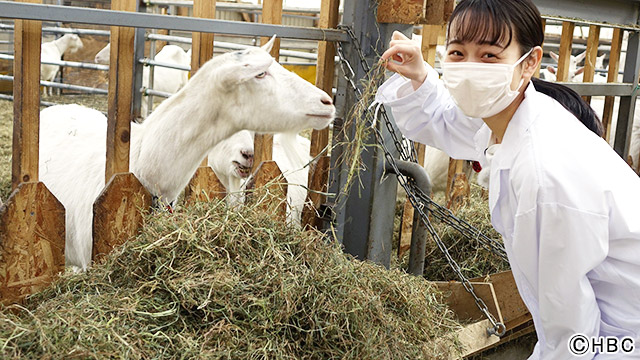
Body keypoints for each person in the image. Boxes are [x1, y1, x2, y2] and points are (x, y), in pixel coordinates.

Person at [375, 0, 640, 358]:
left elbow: (572, 330)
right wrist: (421, 76)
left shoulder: (544, 174)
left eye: (488, 56)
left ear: (529, 62)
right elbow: (450, 123)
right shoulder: (513, 117)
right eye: (457, 53)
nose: (469, 69)